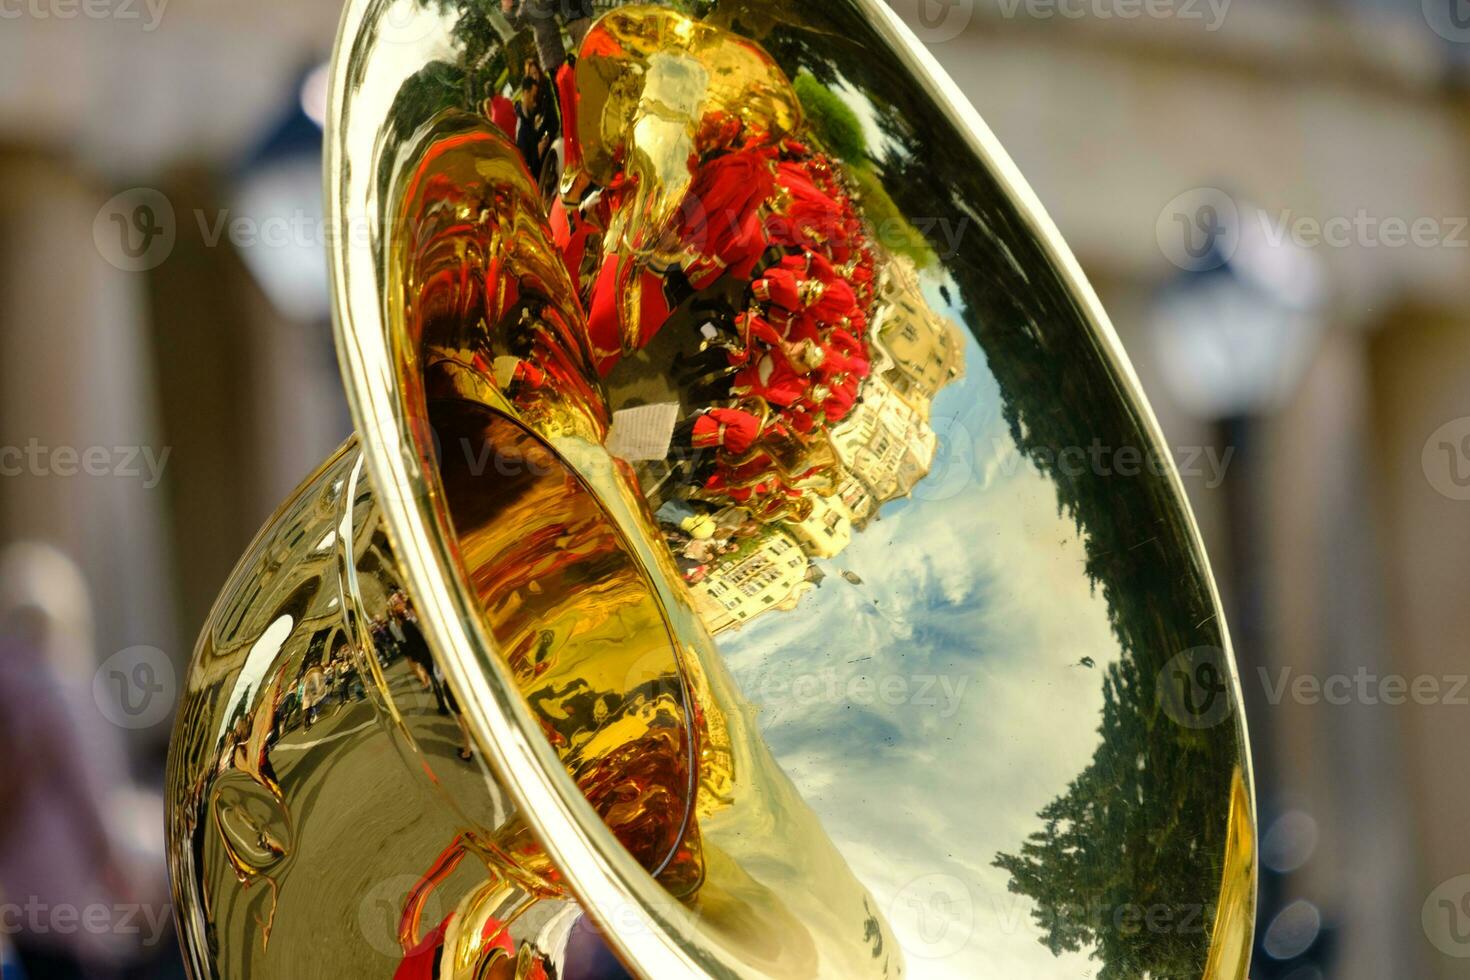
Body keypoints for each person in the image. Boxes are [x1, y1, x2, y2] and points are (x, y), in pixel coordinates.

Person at [515, 74, 559, 180]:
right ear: (526, 93)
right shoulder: (522, 130)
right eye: (533, 97)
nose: (535, 103)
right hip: (540, 178)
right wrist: (538, 152)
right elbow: (528, 169)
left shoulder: (528, 116)